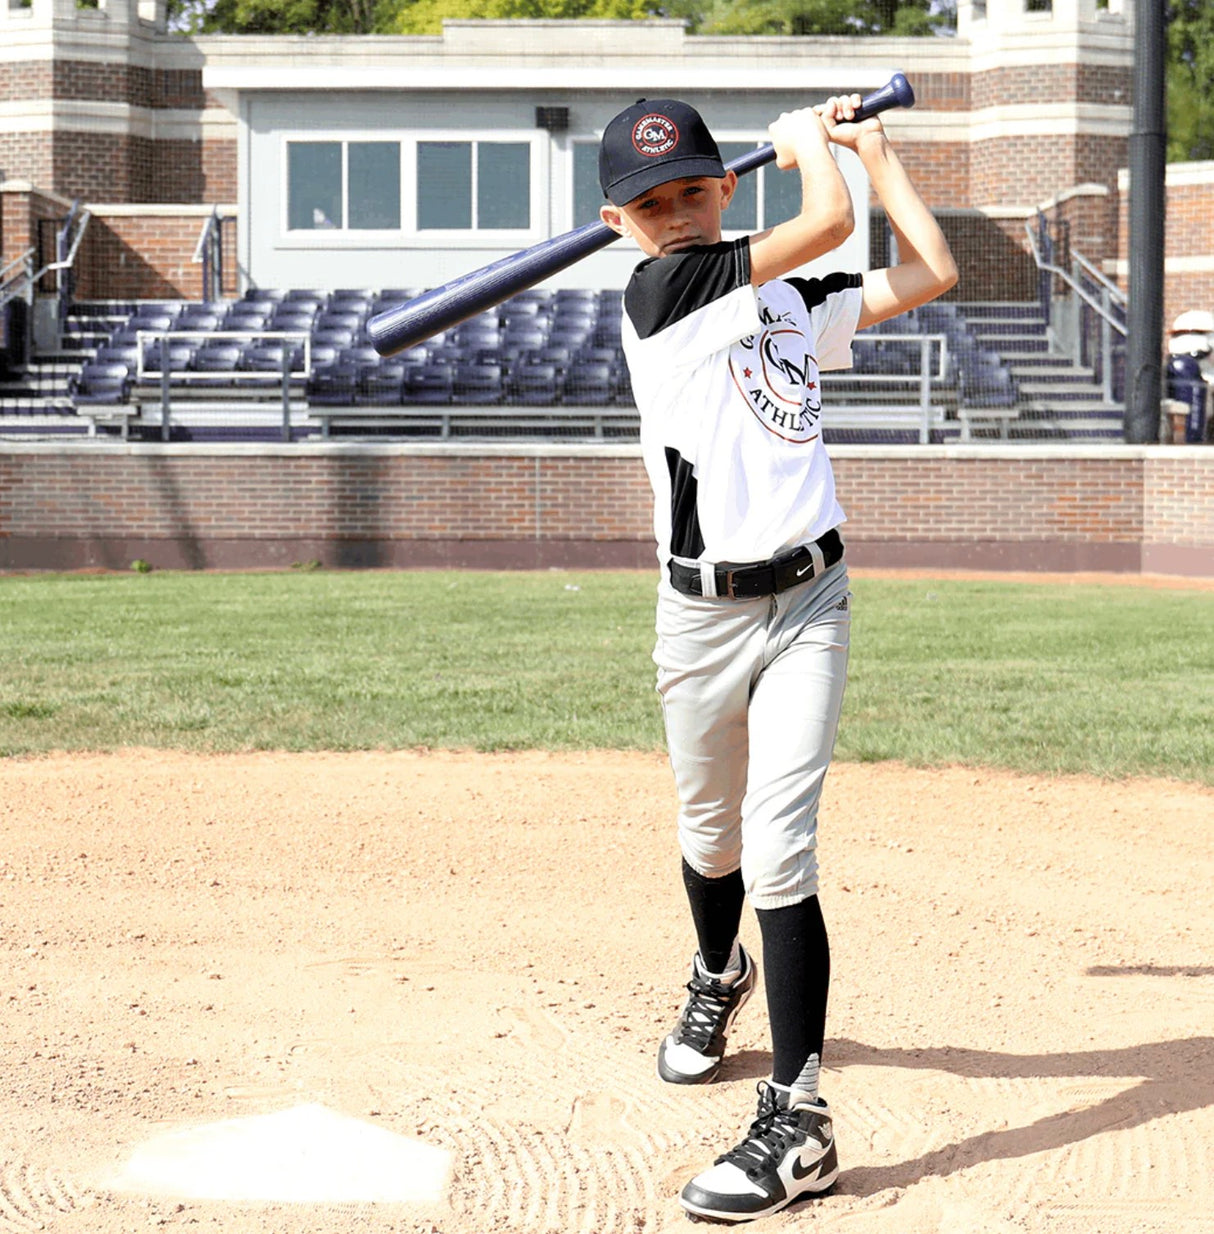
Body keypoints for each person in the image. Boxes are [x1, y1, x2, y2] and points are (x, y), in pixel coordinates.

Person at [597, 93, 957, 1222]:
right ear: (621, 224)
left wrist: (872, 153)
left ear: (726, 189)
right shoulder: (659, 289)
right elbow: (817, 222)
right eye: (651, 203)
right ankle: (717, 977)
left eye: (695, 189)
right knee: (708, 834)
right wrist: (812, 151)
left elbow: (931, 270)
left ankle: (798, 1119)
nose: (678, 213)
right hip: (698, 617)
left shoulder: (789, 297)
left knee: (776, 844)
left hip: (812, 596)